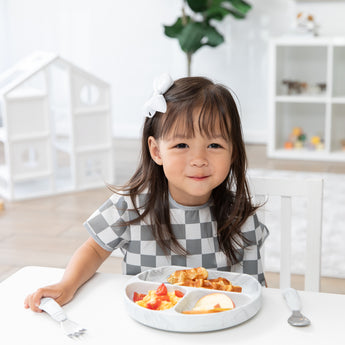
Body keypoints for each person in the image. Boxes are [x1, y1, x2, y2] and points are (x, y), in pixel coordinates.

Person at [24, 73, 268, 312]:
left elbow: (255, 288)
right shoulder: (131, 205)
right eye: (181, 145)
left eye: (214, 145)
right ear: (156, 151)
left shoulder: (241, 216)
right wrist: (67, 285)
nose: (199, 160)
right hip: (145, 321)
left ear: (233, 152)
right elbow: (95, 249)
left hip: (216, 325)